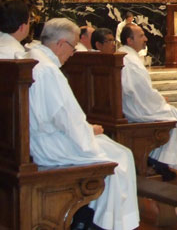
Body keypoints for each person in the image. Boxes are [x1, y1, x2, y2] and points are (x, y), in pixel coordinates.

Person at [26, 18, 139, 230]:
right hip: (53, 145)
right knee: (120, 158)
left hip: (40, 139)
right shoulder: (48, 70)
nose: (73, 52)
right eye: (72, 46)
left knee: (115, 151)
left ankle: (91, 215)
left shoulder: (33, 57)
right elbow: (66, 118)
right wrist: (89, 130)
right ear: (60, 43)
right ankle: (109, 224)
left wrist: (86, 130)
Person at [119, 24, 177, 181]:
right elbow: (141, 92)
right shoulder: (130, 61)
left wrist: (157, 98)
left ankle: (160, 159)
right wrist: (160, 100)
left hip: (133, 105)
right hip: (138, 109)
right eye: (141, 35)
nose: (146, 38)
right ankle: (161, 162)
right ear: (129, 40)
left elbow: (140, 90)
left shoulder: (125, 55)